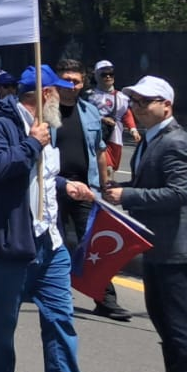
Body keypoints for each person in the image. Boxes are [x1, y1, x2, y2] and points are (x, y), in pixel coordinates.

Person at [0, 65, 100, 372]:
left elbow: (40, 179)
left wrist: (64, 187)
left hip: (50, 242)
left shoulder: (48, 130)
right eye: (59, 91)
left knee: (61, 316)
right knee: (3, 316)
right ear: (44, 95)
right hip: (12, 241)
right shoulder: (2, 125)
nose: (65, 96)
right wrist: (31, 143)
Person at [96, 76, 187, 372]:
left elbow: (180, 194)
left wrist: (127, 195)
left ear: (166, 105)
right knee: (161, 315)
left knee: (182, 321)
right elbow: (154, 185)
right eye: (134, 101)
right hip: (158, 243)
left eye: (145, 102)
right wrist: (124, 188)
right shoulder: (152, 138)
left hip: (180, 246)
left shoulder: (176, 142)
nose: (137, 107)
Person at [50, 59, 129, 320]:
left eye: (76, 81)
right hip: (53, 186)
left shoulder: (90, 112)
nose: (71, 85)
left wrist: (104, 184)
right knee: (60, 241)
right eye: (66, 79)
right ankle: (56, 291)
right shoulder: (44, 111)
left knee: (94, 244)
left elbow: (99, 151)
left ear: (83, 83)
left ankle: (106, 300)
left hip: (87, 188)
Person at [87, 60, 138, 173]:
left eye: (111, 74)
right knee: (106, 168)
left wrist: (133, 129)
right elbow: (84, 115)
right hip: (98, 137)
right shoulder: (90, 96)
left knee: (112, 169)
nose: (108, 77)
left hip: (116, 137)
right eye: (104, 74)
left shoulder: (122, 97)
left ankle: (107, 189)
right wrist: (102, 119)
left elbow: (126, 113)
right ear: (96, 76)